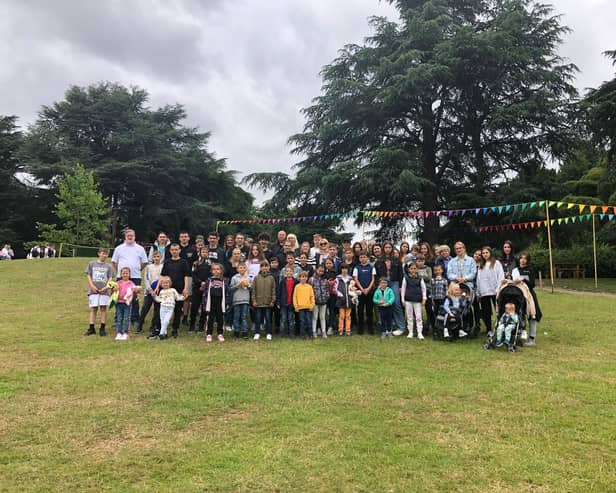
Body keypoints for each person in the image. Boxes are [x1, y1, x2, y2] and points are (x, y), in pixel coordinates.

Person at [112, 229, 148, 331]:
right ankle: (118, 318)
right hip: (121, 277)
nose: (130, 237)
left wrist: (136, 269)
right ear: (125, 236)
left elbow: (144, 262)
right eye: (128, 235)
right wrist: (121, 272)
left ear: (135, 236)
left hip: (135, 276)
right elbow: (114, 262)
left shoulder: (140, 249)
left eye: (132, 235)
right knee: (119, 297)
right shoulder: (119, 248)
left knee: (134, 298)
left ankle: (135, 318)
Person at [160, 243, 190, 338]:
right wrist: (158, 286)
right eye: (172, 250)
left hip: (179, 288)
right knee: (165, 309)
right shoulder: (167, 262)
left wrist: (185, 288)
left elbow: (186, 276)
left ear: (179, 250)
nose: (174, 251)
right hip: (167, 290)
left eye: (176, 249)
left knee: (177, 310)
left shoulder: (184, 262)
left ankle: (175, 329)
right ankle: (162, 329)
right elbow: (163, 275)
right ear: (170, 251)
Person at [512, 251, 542, 346]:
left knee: (532, 315)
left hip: (529, 295)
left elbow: (532, 284)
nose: (523, 260)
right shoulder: (515, 270)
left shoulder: (530, 270)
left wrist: (523, 279)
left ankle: (532, 339)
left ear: (527, 260)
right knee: (520, 315)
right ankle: (520, 337)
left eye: (525, 258)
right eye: (521, 258)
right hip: (519, 295)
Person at [375, 241, 405, 336]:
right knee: (384, 303)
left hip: (394, 282)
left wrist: (400, 286)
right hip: (383, 283)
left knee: (396, 303)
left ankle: (401, 327)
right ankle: (387, 326)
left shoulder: (397, 260)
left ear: (392, 248)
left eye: (389, 247)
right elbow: (376, 275)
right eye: (386, 247)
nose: (388, 249)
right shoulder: (379, 261)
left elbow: (401, 274)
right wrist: (378, 285)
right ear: (383, 248)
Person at [84, 247, 114, 337]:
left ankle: (102, 327)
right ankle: (91, 327)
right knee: (93, 308)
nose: (104, 255)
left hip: (104, 291)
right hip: (94, 290)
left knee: (103, 309)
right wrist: (92, 286)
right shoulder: (91, 264)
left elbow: (110, 277)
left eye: (106, 254)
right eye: (102, 253)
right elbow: (88, 275)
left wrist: (106, 287)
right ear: (99, 253)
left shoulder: (108, 266)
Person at [476, 246, 504, 335]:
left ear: (490, 253)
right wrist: (478, 291)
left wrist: (498, 288)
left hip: (495, 291)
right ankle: (488, 329)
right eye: (483, 253)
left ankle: (500, 327)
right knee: (486, 312)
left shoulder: (496, 263)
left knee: (499, 310)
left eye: (486, 253)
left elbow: (501, 276)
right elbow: (479, 279)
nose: (485, 254)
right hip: (484, 292)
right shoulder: (481, 265)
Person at [202, 263, 230, 343]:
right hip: (211, 302)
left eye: (218, 269)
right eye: (214, 269)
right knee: (210, 318)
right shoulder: (209, 280)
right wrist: (204, 303)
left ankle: (220, 333)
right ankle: (209, 333)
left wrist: (227, 302)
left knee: (220, 318)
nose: (216, 271)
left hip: (221, 301)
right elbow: (205, 292)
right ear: (211, 271)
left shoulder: (225, 280)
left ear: (221, 270)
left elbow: (228, 292)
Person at [150, 275, 185, 340]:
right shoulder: (161, 291)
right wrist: (154, 296)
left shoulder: (173, 290)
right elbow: (159, 300)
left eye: (167, 283)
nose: (165, 284)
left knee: (166, 321)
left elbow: (178, 298)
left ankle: (161, 333)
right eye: (164, 283)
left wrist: (184, 297)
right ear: (161, 284)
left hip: (170, 308)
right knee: (162, 321)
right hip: (162, 308)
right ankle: (164, 334)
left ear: (170, 283)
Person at [139, 250, 163, 336]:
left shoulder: (162, 267)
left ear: (161, 258)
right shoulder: (149, 267)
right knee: (145, 308)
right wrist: (150, 289)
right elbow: (146, 279)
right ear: (152, 258)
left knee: (157, 310)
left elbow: (162, 278)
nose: (156, 258)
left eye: (158, 257)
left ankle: (153, 326)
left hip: (158, 291)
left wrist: (157, 289)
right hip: (149, 291)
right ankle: (140, 324)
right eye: (155, 257)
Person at [401, 262, 427, 339]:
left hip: (417, 300)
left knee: (418, 317)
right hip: (408, 300)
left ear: (417, 269)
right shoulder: (406, 277)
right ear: (409, 269)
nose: (413, 270)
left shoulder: (420, 278)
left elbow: (423, 288)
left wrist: (424, 298)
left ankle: (419, 333)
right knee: (409, 317)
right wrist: (402, 299)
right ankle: (410, 332)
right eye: (411, 268)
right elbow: (403, 288)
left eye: (414, 268)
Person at [251, 260, 276, 340]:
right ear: (260, 268)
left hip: (268, 303)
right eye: (263, 266)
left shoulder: (271, 278)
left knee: (268, 318)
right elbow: (253, 290)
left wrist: (273, 300)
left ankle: (268, 333)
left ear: (268, 267)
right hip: (258, 302)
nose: (264, 268)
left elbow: (273, 290)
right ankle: (257, 333)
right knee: (258, 318)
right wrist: (254, 301)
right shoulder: (256, 278)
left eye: (266, 266)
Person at [113, 267, 140, 340]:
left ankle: (126, 333)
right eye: (123, 273)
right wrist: (114, 290)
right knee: (119, 318)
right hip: (118, 303)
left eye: (127, 273)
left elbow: (135, 293)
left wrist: (136, 290)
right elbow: (113, 292)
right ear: (121, 274)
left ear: (129, 274)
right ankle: (119, 332)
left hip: (127, 304)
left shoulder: (131, 283)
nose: (125, 275)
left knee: (126, 318)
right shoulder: (118, 283)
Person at [353, 251, 376, 335]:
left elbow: (373, 279)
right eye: (361, 257)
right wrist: (362, 289)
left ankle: (370, 328)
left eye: (364, 257)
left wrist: (368, 289)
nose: (363, 258)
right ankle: (360, 329)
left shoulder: (371, 267)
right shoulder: (356, 267)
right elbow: (356, 279)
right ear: (359, 259)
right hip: (360, 292)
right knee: (360, 310)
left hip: (369, 292)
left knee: (369, 310)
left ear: (367, 258)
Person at [178, 231, 198, 325]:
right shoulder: (176, 248)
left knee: (187, 297)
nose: (184, 238)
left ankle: (185, 317)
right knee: (176, 295)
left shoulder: (193, 250)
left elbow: (196, 263)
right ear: (179, 238)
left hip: (189, 276)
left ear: (189, 238)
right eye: (182, 236)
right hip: (176, 275)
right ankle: (176, 314)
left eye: (185, 236)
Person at [190, 247, 211, 332]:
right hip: (196, 287)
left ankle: (201, 326)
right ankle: (192, 325)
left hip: (207, 288)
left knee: (204, 308)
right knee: (194, 307)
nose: (204, 253)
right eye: (203, 251)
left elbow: (212, 274)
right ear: (200, 252)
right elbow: (193, 274)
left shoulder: (211, 264)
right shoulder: (195, 263)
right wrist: (200, 282)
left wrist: (205, 283)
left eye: (206, 252)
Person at [229, 262, 251, 339]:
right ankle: (236, 332)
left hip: (245, 300)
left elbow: (251, 289)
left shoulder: (248, 278)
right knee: (236, 316)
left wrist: (248, 285)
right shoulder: (234, 278)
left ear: (246, 269)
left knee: (244, 316)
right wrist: (237, 285)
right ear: (237, 269)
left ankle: (245, 332)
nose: (242, 269)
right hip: (237, 300)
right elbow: (231, 289)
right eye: (240, 268)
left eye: (244, 268)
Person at [335, 264, 357, 336]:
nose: (344, 270)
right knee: (341, 316)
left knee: (348, 316)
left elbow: (353, 288)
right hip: (341, 300)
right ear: (341, 269)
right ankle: (340, 330)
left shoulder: (350, 279)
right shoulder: (338, 278)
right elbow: (335, 289)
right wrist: (339, 294)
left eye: (346, 269)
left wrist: (355, 294)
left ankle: (348, 330)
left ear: (348, 270)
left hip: (349, 301)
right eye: (343, 268)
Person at [310, 264, 330, 338]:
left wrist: (327, 296)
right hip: (315, 301)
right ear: (316, 270)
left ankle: (324, 331)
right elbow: (310, 290)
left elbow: (327, 289)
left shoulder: (325, 280)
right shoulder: (312, 279)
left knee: (322, 317)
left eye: (322, 271)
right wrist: (312, 299)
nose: (321, 272)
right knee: (314, 317)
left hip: (324, 301)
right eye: (319, 270)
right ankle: (314, 331)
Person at [293, 271, 315, 339]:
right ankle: (302, 335)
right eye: (302, 277)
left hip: (308, 307)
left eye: (305, 277)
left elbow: (312, 297)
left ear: (307, 278)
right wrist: (296, 306)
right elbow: (294, 297)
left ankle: (310, 334)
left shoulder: (309, 287)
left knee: (309, 321)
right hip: (300, 307)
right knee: (302, 321)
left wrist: (312, 306)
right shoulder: (297, 287)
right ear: (299, 278)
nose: (303, 278)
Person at [277, 266, 298, 338]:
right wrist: (278, 302)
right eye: (287, 271)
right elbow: (279, 292)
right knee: (283, 319)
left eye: (290, 271)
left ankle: (291, 334)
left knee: (291, 319)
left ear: (293, 272)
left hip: (292, 304)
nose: (289, 272)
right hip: (283, 303)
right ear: (285, 273)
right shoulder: (282, 282)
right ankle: (281, 333)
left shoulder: (296, 282)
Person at [415, 254, 433, 334]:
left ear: (424, 261)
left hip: (427, 290)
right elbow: (415, 277)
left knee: (429, 309)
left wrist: (420, 276)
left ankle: (430, 325)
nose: (420, 263)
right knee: (418, 310)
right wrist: (423, 276)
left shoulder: (428, 268)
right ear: (416, 261)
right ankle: (420, 327)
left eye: (422, 261)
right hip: (418, 290)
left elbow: (429, 278)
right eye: (419, 261)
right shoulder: (414, 268)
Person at [430, 263, 449, 339]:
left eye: (439, 270)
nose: (437, 271)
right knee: (435, 314)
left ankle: (443, 329)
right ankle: (436, 330)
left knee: (442, 315)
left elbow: (446, 290)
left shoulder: (444, 280)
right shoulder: (432, 280)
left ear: (442, 270)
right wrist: (432, 299)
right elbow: (431, 290)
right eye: (436, 270)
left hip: (442, 300)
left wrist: (446, 299)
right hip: (435, 300)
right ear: (434, 271)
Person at [323, 258, 339, 335]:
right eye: (327, 263)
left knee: (332, 311)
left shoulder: (335, 272)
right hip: (324, 295)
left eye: (330, 263)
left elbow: (337, 282)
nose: (328, 265)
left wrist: (333, 282)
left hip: (333, 295)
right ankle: (323, 326)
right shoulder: (322, 273)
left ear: (333, 264)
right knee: (324, 311)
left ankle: (331, 326)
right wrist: (327, 282)